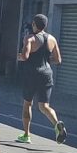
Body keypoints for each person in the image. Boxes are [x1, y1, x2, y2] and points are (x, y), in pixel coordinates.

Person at [16, 14, 67, 144]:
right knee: (44, 106)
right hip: (46, 74)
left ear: (34, 24)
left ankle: (26, 135)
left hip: (32, 74)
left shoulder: (30, 38)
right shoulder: (52, 39)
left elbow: (25, 56)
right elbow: (58, 60)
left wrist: (19, 56)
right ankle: (57, 124)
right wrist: (45, 59)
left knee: (27, 103)